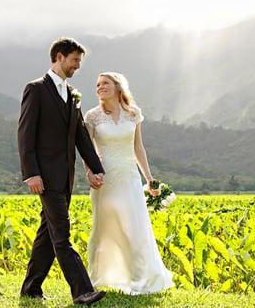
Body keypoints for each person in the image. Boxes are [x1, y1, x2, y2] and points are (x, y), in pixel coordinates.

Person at [18, 37, 107, 305]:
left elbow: (80, 136)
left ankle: (31, 288)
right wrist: (31, 173)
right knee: (61, 234)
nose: (78, 66)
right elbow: (25, 135)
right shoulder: (35, 90)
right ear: (59, 57)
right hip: (44, 176)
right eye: (74, 60)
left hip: (65, 177)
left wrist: (96, 168)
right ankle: (82, 290)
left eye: (80, 61)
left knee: (47, 234)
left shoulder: (72, 94)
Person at [83, 72, 174, 294]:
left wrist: (149, 178)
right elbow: (87, 150)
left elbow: (138, 148)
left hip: (130, 178)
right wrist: (90, 173)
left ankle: (139, 278)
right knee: (106, 227)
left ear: (117, 87)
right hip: (105, 179)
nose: (100, 87)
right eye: (97, 85)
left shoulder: (133, 114)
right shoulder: (92, 116)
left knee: (134, 226)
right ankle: (101, 276)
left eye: (105, 83)